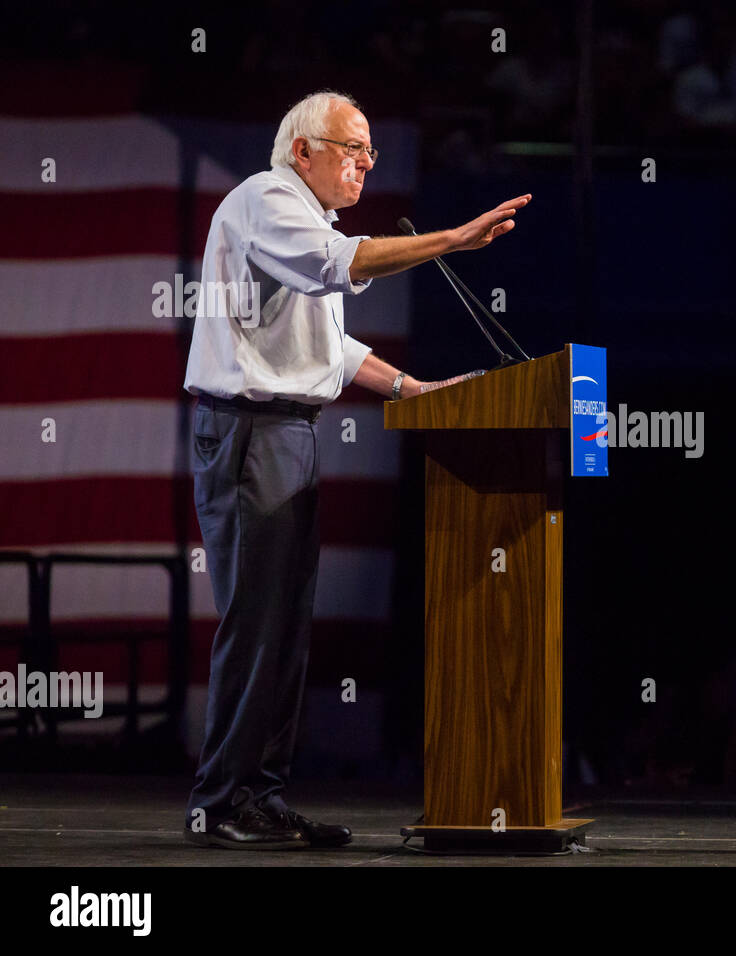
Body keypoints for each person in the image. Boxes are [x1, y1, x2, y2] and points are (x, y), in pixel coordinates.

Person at [182, 89, 530, 848]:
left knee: (287, 627)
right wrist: (451, 239)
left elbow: (330, 350)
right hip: (251, 431)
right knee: (258, 622)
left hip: (289, 432)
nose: (367, 163)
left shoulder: (307, 222)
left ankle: (260, 796)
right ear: (302, 150)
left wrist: (416, 389)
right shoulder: (265, 201)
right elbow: (342, 266)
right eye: (353, 147)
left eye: (372, 151)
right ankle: (220, 800)